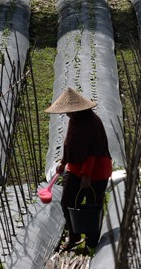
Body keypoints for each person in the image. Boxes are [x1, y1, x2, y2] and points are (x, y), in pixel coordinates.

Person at [45, 87, 112, 250]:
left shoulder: (93, 123)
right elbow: (68, 144)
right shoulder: (74, 121)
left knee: (92, 204)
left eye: (69, 111)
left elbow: (93, 153)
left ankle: (91, 242)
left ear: (77, 111)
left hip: (96, 171)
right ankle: (74, 236)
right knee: (67, 201)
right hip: (75, 168)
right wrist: (63, 162)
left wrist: (86, 175)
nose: (66, 114)